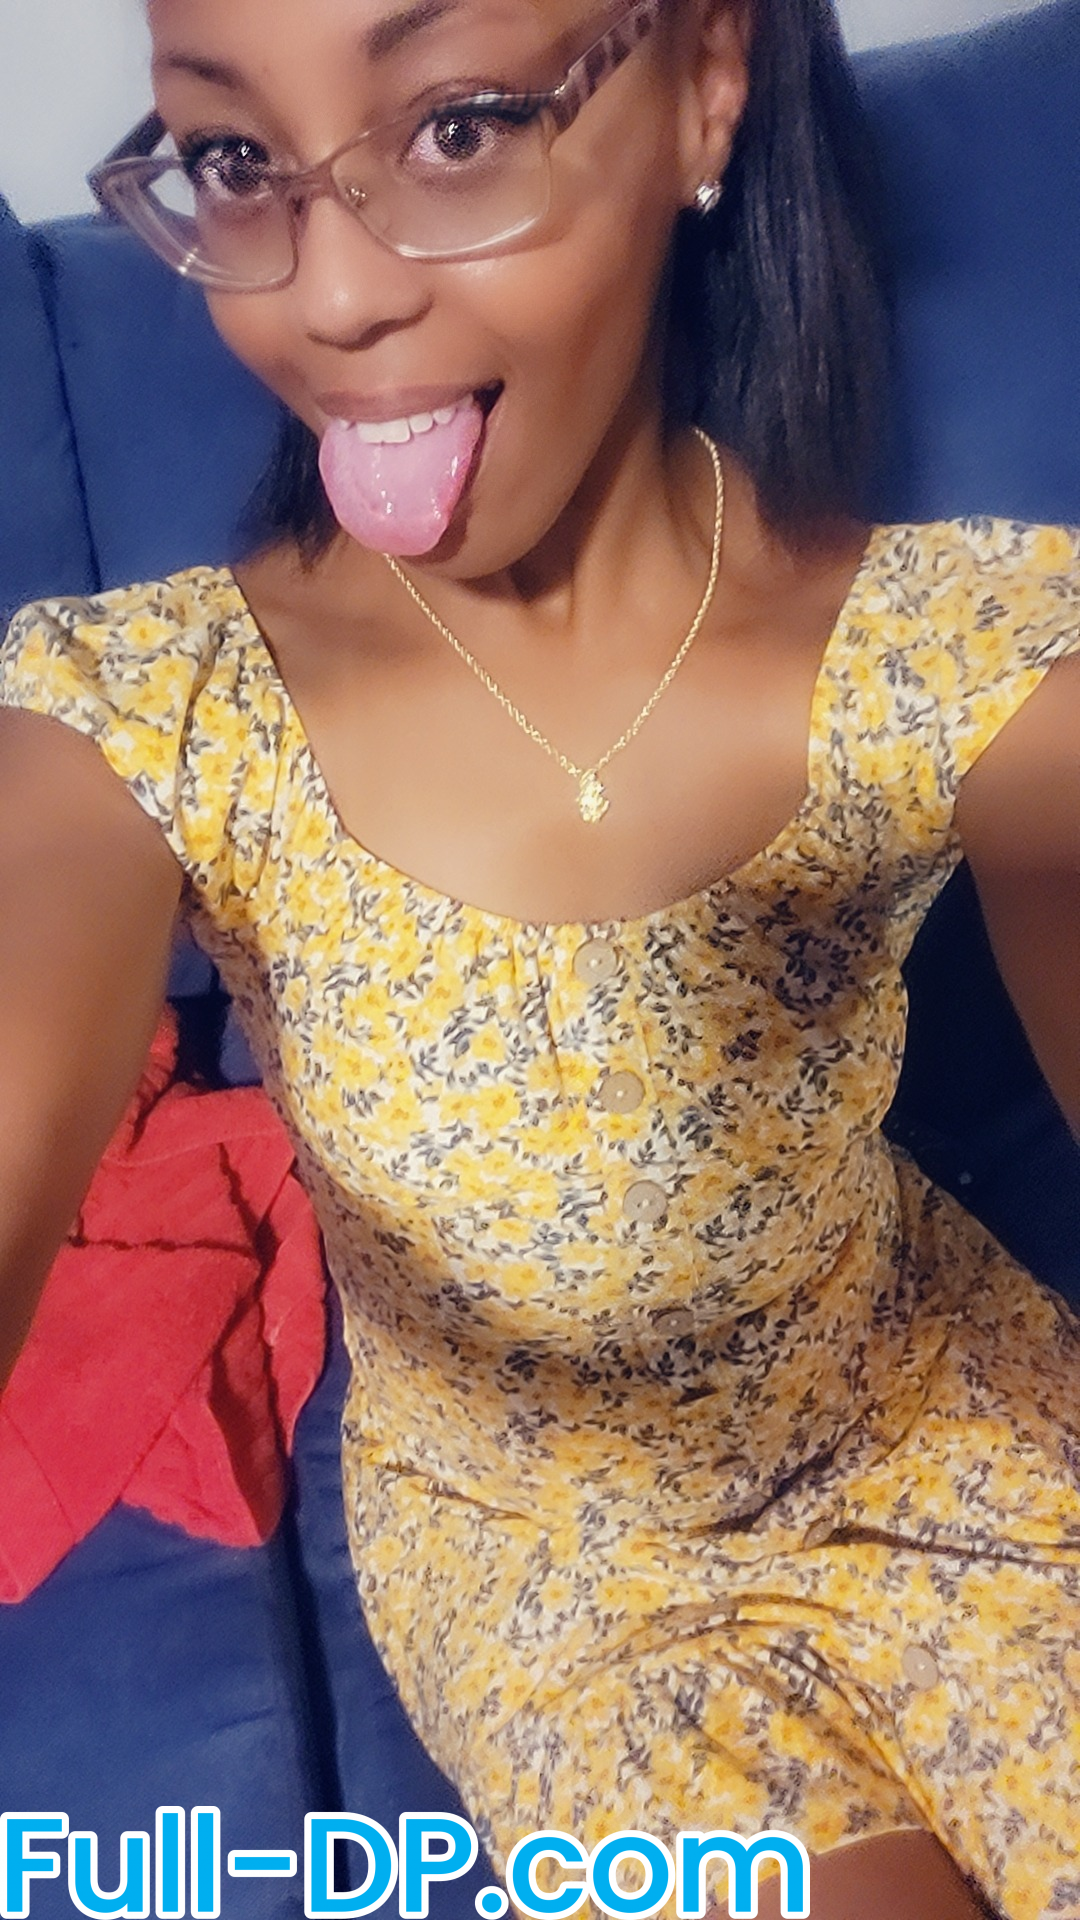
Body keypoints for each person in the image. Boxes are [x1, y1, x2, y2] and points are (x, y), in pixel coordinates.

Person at [1, 0, 1078, 1912]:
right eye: (237, 161)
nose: (329, 296)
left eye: (459, 127)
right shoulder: (157, 712)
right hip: (559, 1576)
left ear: (707, 87)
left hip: (960, 1428)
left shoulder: (945, 651)